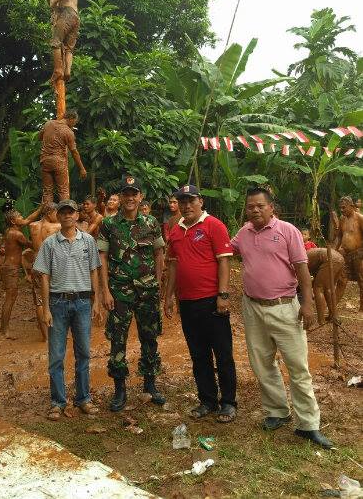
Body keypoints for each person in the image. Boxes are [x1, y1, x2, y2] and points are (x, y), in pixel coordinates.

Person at [231, 187, 333, 449]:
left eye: (259, 206)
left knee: (298, 368)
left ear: (271, 207)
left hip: (285, 306)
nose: (254, 210)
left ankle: (308, 424)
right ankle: (277, 411)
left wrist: (307, 303)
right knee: (262, 363)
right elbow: (225, 250)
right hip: (252, 307)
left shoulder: (288, 231)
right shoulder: (243, 233)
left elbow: (301, 268)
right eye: (250, 206)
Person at [164, 185, 237, 423]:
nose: (186, 205)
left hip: (212, 301)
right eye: (182, 201)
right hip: (187, 302)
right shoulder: (176, 231)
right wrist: (168, 296)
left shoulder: (214, 225)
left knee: (222, 354)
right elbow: (173, 265)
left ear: (201, 202)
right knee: (198, 355)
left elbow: (224, 262)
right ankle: (207, 400)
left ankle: (228, 402)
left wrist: (223, 295)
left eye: (190, 201)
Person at [98, 175, 165, 412]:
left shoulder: (151, 223)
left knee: (149, 337)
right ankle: (120, 390)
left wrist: (157, 284)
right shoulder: (109, 224)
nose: (129, 198)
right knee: (118, 340)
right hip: (120, 292)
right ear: (121, 197)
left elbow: (159, 254)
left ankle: (150, 385)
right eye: (126, 194)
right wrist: (105, 291)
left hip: (148, 291)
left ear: (140, 197)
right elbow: (102, 258)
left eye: (134, 193)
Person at [33, 199, 101, 419]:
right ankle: (58, 402)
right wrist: (45, 308)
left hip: (82, 302)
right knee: (56, 355)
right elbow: (44, 276)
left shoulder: (88, 241)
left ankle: (83, 399)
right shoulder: (50, 243)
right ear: (59, 216)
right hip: (58, 302)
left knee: (83, 353)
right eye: (63, 213)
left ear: (76, 215)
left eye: (71, 212)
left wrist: (96, 300)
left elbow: (94, 271)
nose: (67, 216)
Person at [0, 207, 40, 338]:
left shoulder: (9, 230)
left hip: (8, 267)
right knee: (10, 299)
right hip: (11, 269)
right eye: (20, 217)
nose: (23, 218)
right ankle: (5, 330)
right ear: (13, 221)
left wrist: (41, 208)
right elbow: (31, 245)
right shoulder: (17, 234)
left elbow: (28, 220)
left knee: (9, 298)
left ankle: (2, 328)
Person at [24, 203, 62, 341]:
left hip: (36, 264)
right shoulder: (57, 227)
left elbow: (26, 221)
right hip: (52, 264)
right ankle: (57, 333)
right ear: (49, 212)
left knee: (39, 301)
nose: (57, 216)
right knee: (56, 297)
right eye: (56, 212)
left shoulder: (32, 226)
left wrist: (39, 208)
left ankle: (45, 337)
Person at [39, 110, 87, 204]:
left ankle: (47, 215)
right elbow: (74, 152)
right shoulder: (68, 132)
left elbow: (40, 137)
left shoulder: (48, 123)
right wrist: (82, 168)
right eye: (74, 122)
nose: (74, 124)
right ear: (71, 118)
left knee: (47, 191)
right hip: (59, 162)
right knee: (63, 190)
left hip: (45, 161)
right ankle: (65, 215)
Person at [47, 0, 79, 82]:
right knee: (68, 49)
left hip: (68, 14)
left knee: (55, 42)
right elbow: (54, 10)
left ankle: (58, 70)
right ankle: (67, 71)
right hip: (74, 18)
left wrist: (55, 0)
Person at [335, 196, 363, 312]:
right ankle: (332, 306)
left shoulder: (360, 218)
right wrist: (334, 250)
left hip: (359, 254)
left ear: (351, 206)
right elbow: (339, 236)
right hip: (345, 254)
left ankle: (362, 307)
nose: (342, 210)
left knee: (361, 280)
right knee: (342, 279)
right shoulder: (342, 219)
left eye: (344, 207)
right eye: (340, 208)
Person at [307, 248, 346, 325]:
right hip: (340, 259)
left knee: (318, 288)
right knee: (328, 288)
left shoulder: (299, 261)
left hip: (330, 259)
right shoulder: (307, 256)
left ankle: (321, 320)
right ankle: (333, 315)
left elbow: (304, 279)